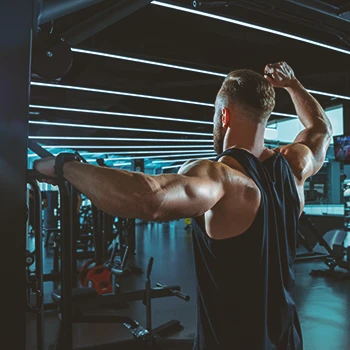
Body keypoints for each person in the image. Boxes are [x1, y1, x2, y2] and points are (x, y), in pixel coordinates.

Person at [34, 61, 332, 350]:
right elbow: (321, 128)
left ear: (224, 116)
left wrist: (66, 166)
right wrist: (292, 84)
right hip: (288, 341)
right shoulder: (295, 166)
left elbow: (148, 198)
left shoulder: (223, 178)